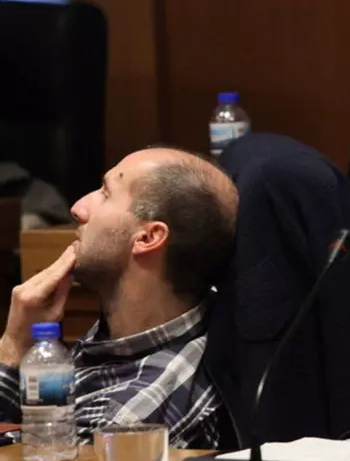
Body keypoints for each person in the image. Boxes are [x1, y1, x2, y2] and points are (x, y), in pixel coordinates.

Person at [0, 147, 238, 449]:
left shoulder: (128, 417)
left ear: (148, 237)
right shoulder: (126, 337)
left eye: (105, 194)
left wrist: (12, 346)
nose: (77, 208)